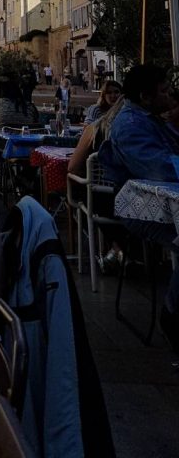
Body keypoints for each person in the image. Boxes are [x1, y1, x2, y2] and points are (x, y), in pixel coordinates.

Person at [98, 64, 179, 350]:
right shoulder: (130, 126)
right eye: (165, 90)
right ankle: (172, 315)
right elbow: (160, 169)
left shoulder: (149, 118)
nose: (171, 94)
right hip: (142, 209)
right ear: (145, 96)